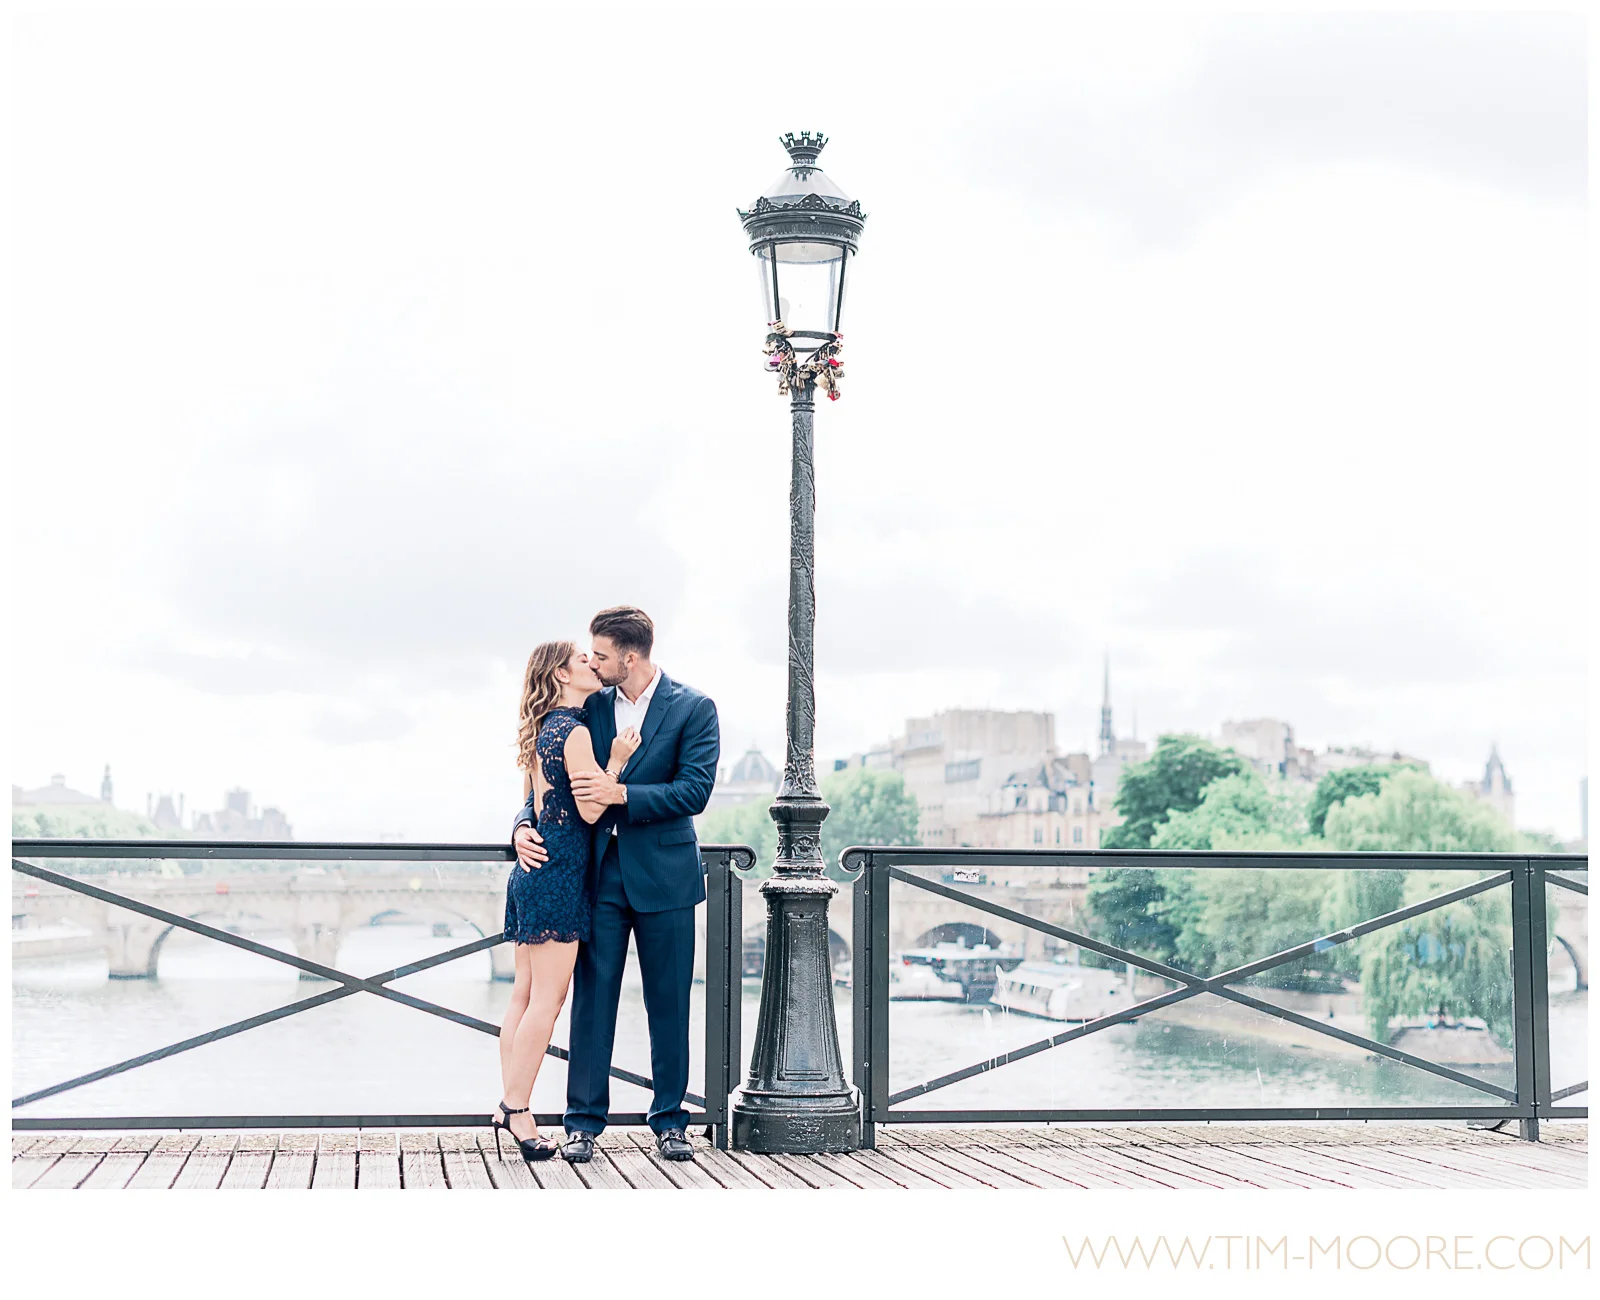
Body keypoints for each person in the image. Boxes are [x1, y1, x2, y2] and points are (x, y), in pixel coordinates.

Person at [513, 605, 719, 1163]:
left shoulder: (695, 708)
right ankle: (582, 1122)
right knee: (592, 1002)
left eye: (601, 655)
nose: (593, 661)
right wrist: (521, 825)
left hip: (668, 879)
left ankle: (670, 1121)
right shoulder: (588, 708)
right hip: (597, 877)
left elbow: (694, 792)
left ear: (629, 657)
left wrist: (621, 795)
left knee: (669, 1003)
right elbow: (546, 775)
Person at [493, 639, 641, 1163]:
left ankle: (507, 1102)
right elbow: (594, 809)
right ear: (560, 676)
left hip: (533, 874)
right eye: (582, 660)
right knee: (548, 1002)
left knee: (524, 995)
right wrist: (617, 761)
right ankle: (518, 1110)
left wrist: (520, 829)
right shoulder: (574, 731)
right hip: (559, 876)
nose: (591, 664)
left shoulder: (542, 732)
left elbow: (536, 803)